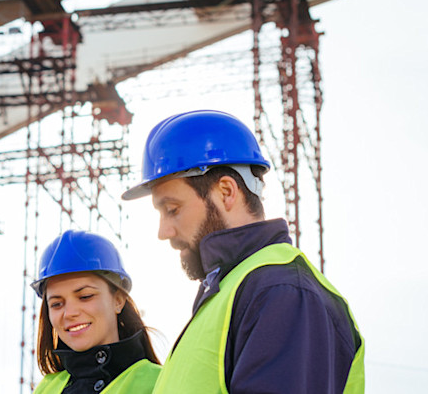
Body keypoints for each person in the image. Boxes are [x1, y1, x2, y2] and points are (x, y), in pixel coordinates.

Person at [121, 109, 364, 393]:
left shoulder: (282, 292)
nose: (164, 232)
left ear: (226, 192)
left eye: (172, 209)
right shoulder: (234, 292)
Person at [31, 230, 161, 394]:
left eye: (85, 296)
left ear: (118, 300)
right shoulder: (46, 388)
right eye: (56, 304)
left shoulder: (158, 383)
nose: (69, 313)